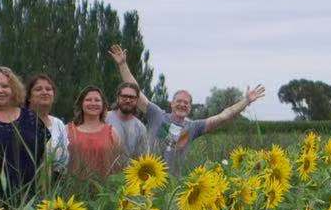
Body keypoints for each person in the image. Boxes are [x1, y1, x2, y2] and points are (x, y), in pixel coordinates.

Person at [109, 44, 266, 176]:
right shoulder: (156, 115)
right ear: (172, 104)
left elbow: (223, 116)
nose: (182, 105)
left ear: (190, 108)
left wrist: (245, 101)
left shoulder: (193, 127)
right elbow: (136, 90)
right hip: (146, 177)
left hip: (171, 183)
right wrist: (122, 64)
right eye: (179, 101)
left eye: (186, 103)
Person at [0, 65, 48, 205]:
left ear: (13, 89)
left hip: (26, 202)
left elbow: (44, 160)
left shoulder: (31, 118)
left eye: (5, 86)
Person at [66, 86, 124, 180]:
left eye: (97, 100)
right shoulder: (68, 130)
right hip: (72, 191)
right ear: (81, 104)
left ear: (103, 105)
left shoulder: (112, 133)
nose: (93, 103)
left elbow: (118, 167)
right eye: (88, 100)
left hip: (104, 192)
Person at [26, 72, 71, 173]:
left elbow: (64, 159)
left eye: (48, 89)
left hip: (55, 184)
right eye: (38, 89)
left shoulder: (58, 124)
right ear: (29, 97)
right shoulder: (20, 121)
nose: (44, 92)